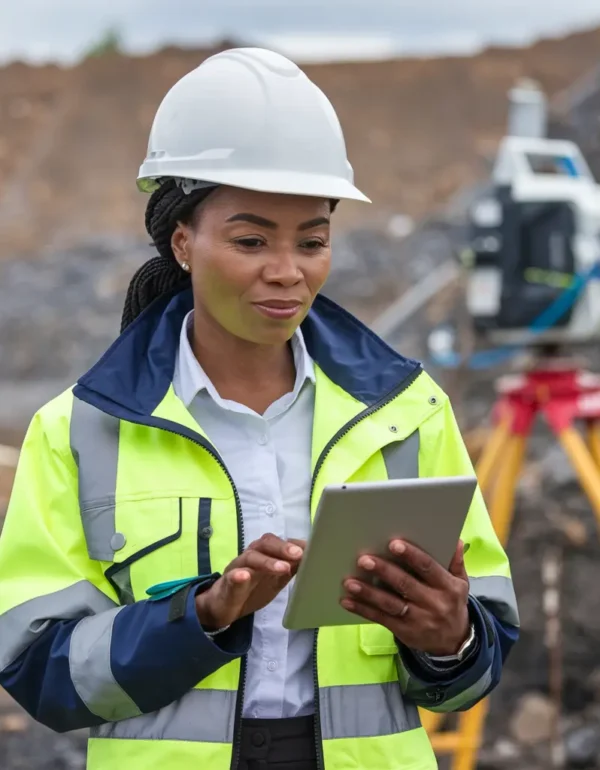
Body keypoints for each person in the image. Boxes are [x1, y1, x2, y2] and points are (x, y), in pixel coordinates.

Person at [0, 48, 519, 770]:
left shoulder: (407, 414)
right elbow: (39, 669)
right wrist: (202, 616)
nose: (288, 270)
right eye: (251, 240)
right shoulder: (82, 430)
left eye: (313, 240)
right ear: (183, 243)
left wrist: (449, 637)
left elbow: (478, 660)